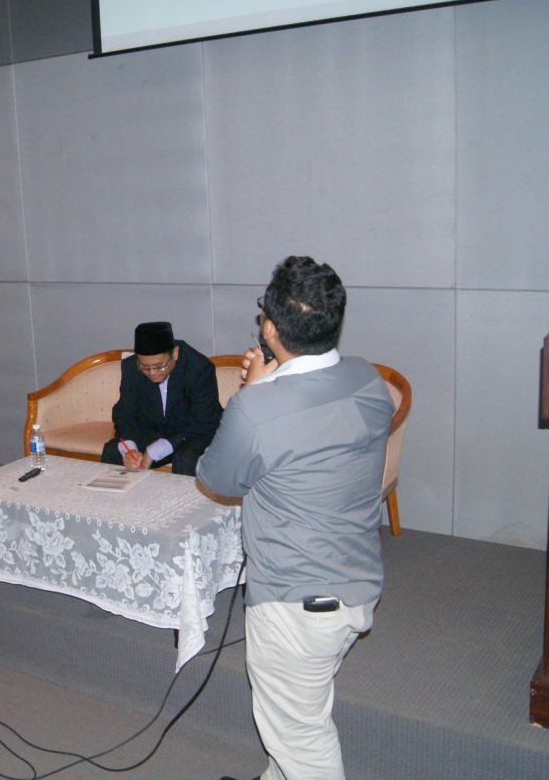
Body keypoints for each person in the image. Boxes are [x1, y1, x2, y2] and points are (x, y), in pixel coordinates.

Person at [197, 257, 394, 780]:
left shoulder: (257, 408)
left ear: (269, 328)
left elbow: (216, 479)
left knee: (301, 738)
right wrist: (273, 385)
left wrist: (254, 392)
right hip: (357, 584)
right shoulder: (368, 378)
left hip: (295, 604)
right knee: (299, 712)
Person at [100, 321, 222, 477]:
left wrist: (155, 450)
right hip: (155, 430)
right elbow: (125, 413)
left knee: (185, 459)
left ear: (175, 353)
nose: (152, 373)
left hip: (194, 432)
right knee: (113, 450)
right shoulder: (131, 367)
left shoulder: (199, 368)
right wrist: (130, 450)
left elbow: (202, 421)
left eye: (159, 366)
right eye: (145, 367)